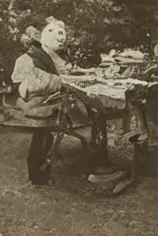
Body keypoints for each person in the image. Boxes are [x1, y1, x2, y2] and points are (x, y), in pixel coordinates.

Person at [9, 17, 95, 185]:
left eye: (62, 34)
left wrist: (80, 75)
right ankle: (38, 175)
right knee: (43, 136)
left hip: (49, 102)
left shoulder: (48, 55)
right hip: (36, 105)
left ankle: (41, 172)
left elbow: (65, 71)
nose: (61, 38)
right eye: (54, 33)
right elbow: (23, 86)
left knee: (46, 136)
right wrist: (58, 82)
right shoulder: (29, 58)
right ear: (42, 36)